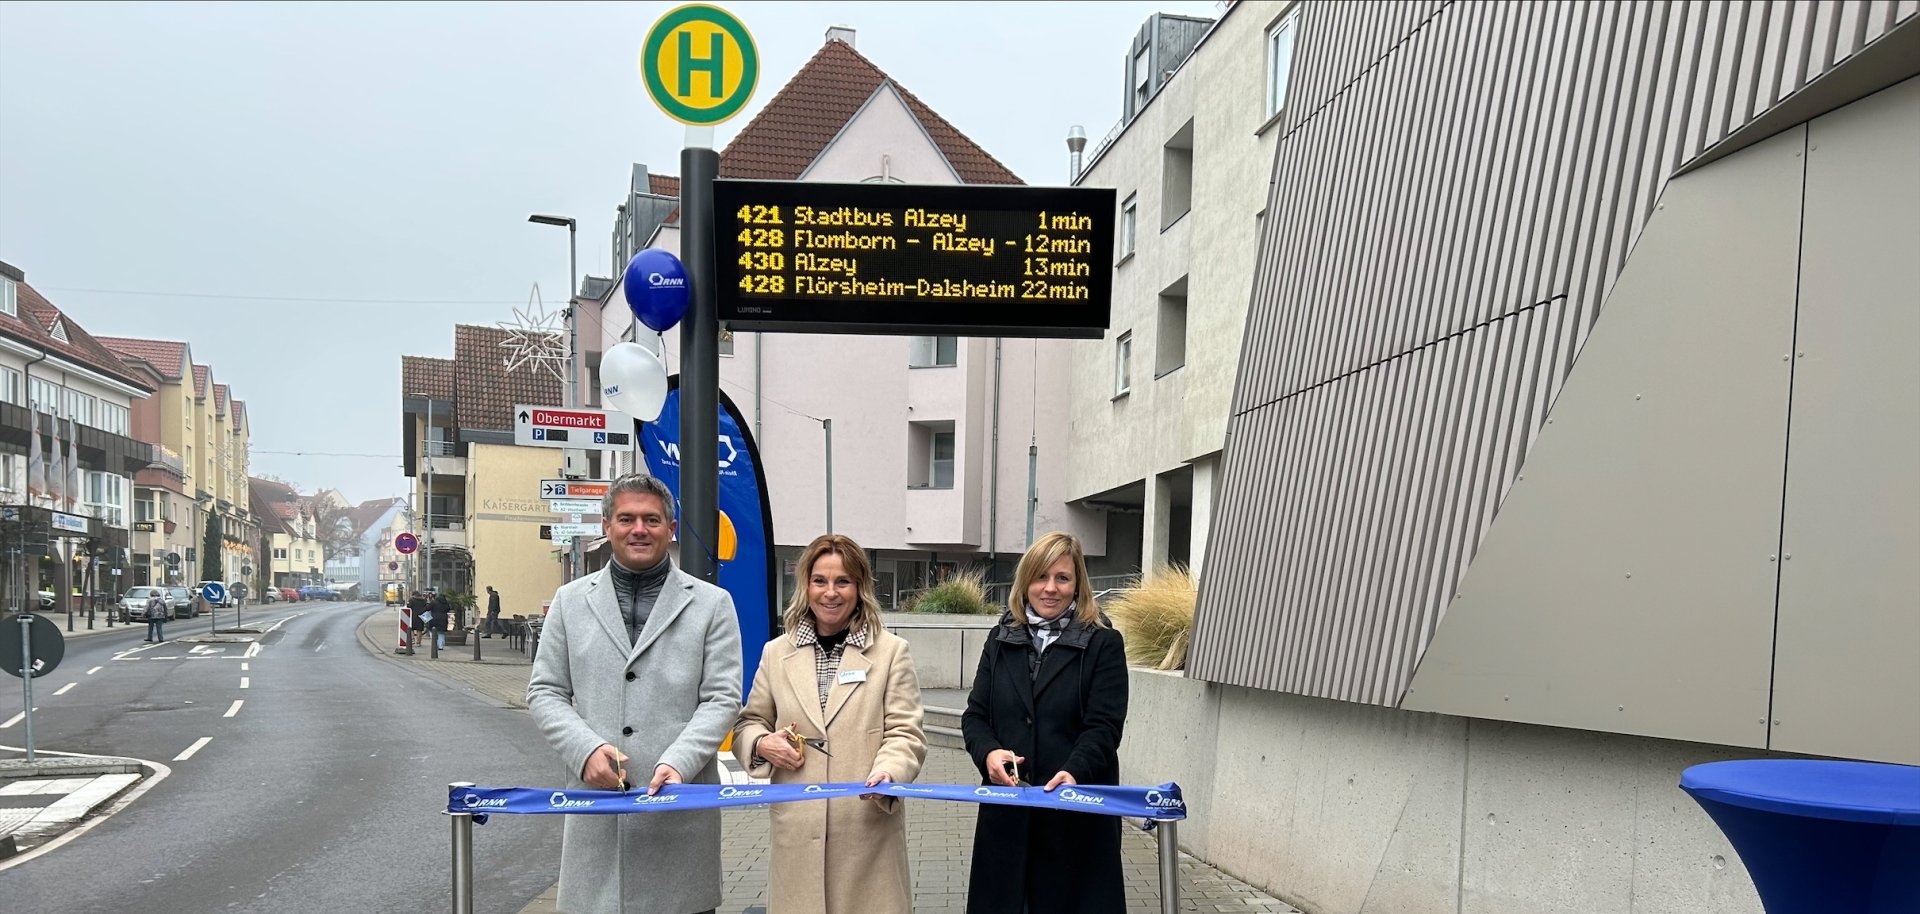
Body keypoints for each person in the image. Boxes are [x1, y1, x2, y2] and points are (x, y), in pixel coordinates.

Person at [528, 473, 743, 914]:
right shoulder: (569, 602)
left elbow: (722, 698)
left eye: (652, 519)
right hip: (598, 809)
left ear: (671, 528)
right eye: (626, 518)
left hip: (679, 811)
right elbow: (545, 690)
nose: (639, 529)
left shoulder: (712, 604)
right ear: (607, 526)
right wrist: (584, 750)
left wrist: (678, 761)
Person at [731, 534, 926, 914]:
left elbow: (905, 732)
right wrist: (760, 744)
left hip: (865, 829)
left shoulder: (891, 652)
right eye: (820, 580)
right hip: (798, 833)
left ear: (860, 588)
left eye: (843, 581)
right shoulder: (776, 653)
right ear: (805, 585)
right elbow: (749, 722)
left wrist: (889, 771)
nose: (830, 593)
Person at [961, 531, 1129, 914]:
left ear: (1077, 585)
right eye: (1041, 577)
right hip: (1007, 821)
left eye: (1062, 578)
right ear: (1025, 582)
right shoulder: (1001, 638)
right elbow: (975, 716)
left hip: (1075, 822)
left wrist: (1074, 771)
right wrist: (988, 753)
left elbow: (1104, 728)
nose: (1050, 588)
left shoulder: (1104, 644)